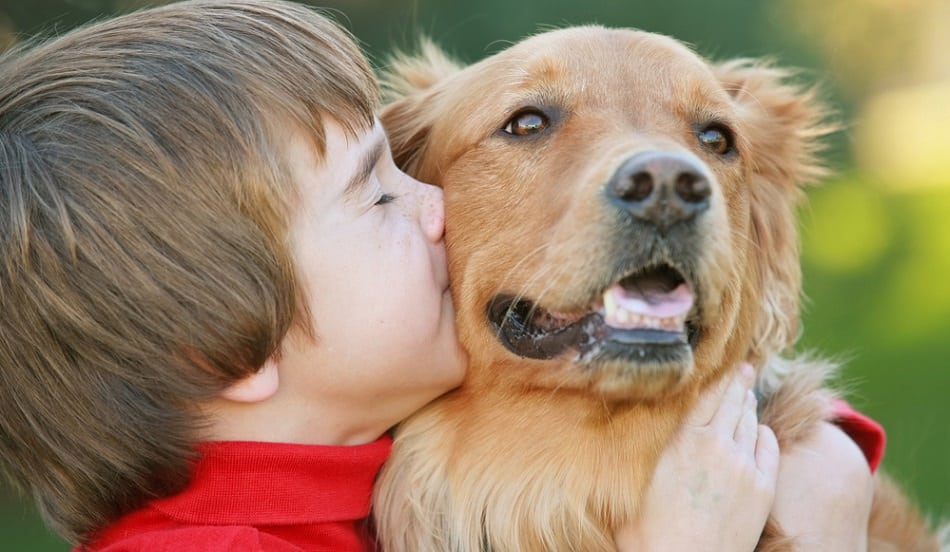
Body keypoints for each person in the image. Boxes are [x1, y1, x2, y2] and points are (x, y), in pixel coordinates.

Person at [0, 1, 879, 550]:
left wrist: (825, 452)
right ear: (228, 344)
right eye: (378, 196)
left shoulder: (348, 471)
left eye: (712, 144)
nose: (433, 209)